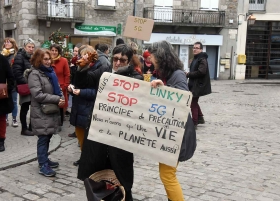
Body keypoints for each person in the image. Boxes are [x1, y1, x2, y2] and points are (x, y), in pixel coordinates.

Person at [76, 44, 143, 201]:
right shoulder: (104, 73)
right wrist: (82, 67)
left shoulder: (135, 77)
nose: (118, 63)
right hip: (99, 133)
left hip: (120, 138)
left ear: (129, 61)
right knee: (99, 172)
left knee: (121, 174)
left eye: (122, 60)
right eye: (115, 59)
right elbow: (84, 81)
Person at [148, 40, 191, 201]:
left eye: (152, 56)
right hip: (170, 134)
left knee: (167, 175)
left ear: (160, 56)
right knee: (166, 174)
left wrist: (164, 89)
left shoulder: (177, 75)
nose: (150, 59)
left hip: (176, 135)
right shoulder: (170, 74)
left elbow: (183, 99)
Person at [26, 48, 65, 177]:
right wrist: (56, 99)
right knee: (43, 138)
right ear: (39, 60)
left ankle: (45, 159)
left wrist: (62, 98)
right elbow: (37, 94)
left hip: (50, 110)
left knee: (48, 136)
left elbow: (57, 87)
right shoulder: (34, 74)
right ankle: (43, 165)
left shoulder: (50, 72)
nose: (48, 61)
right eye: (45, 59)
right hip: (41, 112)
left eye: (49, 59)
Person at [68, 45, 102, 166]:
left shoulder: (98, 69)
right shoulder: (80, 66)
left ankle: (89, 159)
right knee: (80, 134)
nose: (82, 57)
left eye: (85, 54)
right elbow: (75, 82)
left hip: (88, 106)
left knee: (88, 137)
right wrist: (70, 87)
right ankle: (84, 156)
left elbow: (98, 91)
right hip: (78, 105)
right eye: (81, 55)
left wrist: (82, 92)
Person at [186, 41, 211, 128]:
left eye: (197, 48)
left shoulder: (202, 59)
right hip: (193, 83)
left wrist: (188, 74)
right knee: (194, 101)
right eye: (194, 48)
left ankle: (194, 122)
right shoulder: (196, 58)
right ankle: (200, 118)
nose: (195, 49)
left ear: (201, 49)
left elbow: (201, 72)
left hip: (198, 84)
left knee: (193, 102)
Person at [13, 38, 35, 136]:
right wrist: (26, 83)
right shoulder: (19, 56)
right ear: (24, 47)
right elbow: (17, 73)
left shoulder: (33, 57)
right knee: (25, 107)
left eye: (32, 47)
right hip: (25, 86)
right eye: (29, 47)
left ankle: (32, 127)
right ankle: (24, 129)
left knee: (34, 108)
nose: (31, 49)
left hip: (34, 86)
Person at [49, 44, 70, 130]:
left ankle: (59, 123)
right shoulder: (47, 60)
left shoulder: (63, 60)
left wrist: (65, 85)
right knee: (51, 105)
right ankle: (51, 123)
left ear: (58, 52)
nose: (54, 52)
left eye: (56, 50)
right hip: (50, 86)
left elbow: (67, 74)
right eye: (52, 50)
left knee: (60, 106)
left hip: (61, 87)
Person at [2, 37, 19, 127]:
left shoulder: (15, 55)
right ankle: (5, 118)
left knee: (14, 101)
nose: (7, 43)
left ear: (13, 44)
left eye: (9, 42)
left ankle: (14, 118)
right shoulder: (1, 54)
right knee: (4, 100)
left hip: (13, 82)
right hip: (3, 82)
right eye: (5, 42)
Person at [68, 43, 82, 138]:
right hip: (73, 86)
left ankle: (78, 132)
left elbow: (78, 75)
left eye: (77, 51)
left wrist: (73, 67)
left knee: (78, 110)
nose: (75, 52)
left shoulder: (81, 62)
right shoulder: (73, 60)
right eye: (74, 50)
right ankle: (76, 130)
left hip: (79, 89)